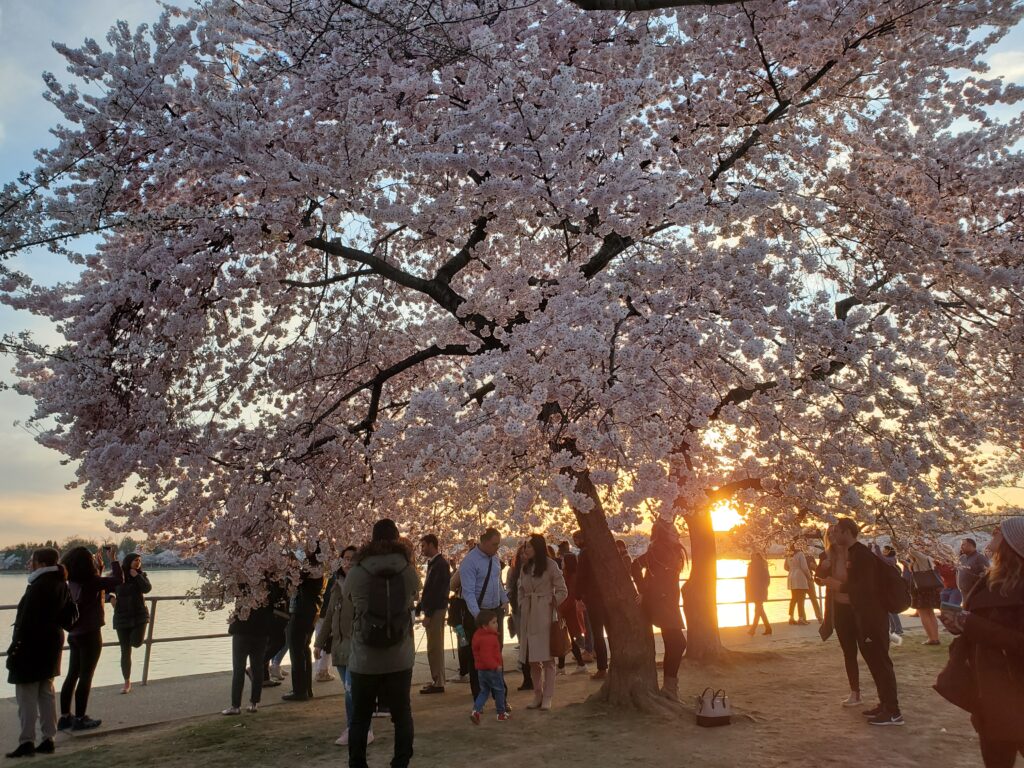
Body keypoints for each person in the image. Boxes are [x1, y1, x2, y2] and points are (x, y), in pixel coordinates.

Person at [938, 517, 1024, 768]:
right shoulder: (990, 578)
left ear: (1013, 542)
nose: (993, 533)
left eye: (1000, 531)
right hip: (988, 687)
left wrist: (971, 624)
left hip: (1015, 685)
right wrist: (959, 626)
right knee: (996, 760)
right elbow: (979, 624)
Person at [344, 519, 421, 768]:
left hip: (365, 656)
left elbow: (352, 600)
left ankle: (357, 764)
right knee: (402, 715)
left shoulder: (357, 570)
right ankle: (400, 763)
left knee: (360, 718)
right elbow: (413, 596)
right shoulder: (408, 570)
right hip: (399, 654)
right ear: (397, 539)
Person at [824, 518, 903, 726]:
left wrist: (838, 586)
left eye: (837, 531)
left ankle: (893, 711)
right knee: (874, 661)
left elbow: (867, 588)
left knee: (880, 662)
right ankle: (884, 705)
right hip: (864, 616)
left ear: (847, 532)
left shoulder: (861, 555)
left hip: (872, 616)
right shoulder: (854, 554)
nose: (834, 535)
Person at [5, 548, 77, 759]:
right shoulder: (60, 583)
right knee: (46, 692)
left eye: (32, 560)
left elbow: (26, 622)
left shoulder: (39, 586)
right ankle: (48, 738)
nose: (29, 563)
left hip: (31, 646)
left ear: (41, 563)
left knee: (26, 695)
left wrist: (14, 650)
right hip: (51, 642)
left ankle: (27, 740)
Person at [59, 545, 123, 731]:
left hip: (74, 633)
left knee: (72, 675)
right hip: (91, 633)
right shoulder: (92, 581)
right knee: (86, 676)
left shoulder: (71, 581)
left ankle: (64, 717)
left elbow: (96, 586)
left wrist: (101, 569)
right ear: (87, 564)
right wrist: (114, 559)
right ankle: (80, 718)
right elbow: (118, 580)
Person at [316, 545, 374, 746]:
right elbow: (330, 615)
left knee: (352, 690)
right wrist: (319, 643)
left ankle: (359, 729)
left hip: (356, 645)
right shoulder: (335, 585)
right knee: (349, 690)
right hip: (339, 646)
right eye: (345, 558)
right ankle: (359, 728)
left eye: (352, 558)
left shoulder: (362, 585)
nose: (348, 562)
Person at [632, 518, 687, 700]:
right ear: (664, 534)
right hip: (659, 601)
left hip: (669, 601)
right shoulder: (657, 550)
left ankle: (670, 687)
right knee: (678, 643)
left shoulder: (673, 550)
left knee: (675, 643)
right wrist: (644, 590)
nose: (677, 533)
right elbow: (635, 566)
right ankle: (670, 688)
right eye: (673, 531)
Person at [517, 533, 569, 710]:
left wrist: (549, 602)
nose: (526, 550)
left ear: (537, 548)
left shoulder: (550, 565)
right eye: (525, 547)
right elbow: (520, 589)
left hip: (544, 615)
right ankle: (537, 694)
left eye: (529, 547)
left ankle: (548, 696)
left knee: (547, 659)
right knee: (532, 659)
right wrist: (522, 602)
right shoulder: (525, 567)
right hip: (528, 615)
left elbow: (562, 590)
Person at [458, 528, 509, 700]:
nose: (497, 548)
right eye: (494, 544)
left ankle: (500, 694)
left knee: (496, 652)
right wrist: (478, 616)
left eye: (498, 544)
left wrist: (505, 600)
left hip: (495, 611)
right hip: (479, 613)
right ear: (484, 541)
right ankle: (479, 694)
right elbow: (468, 592)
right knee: (478, 656)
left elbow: (497, 582)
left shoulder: (494, 558)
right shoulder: (470, 562)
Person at [223, 584, 277, 715]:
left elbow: (229, 592)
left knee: (239, 668)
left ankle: (235, 705)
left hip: (242, 629)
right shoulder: (270, 583)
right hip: (261, 630)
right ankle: (254, 703)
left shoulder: (241, 580)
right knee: (257, 667)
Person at [283, 548, 327, 702]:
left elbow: (294, 579)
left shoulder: (310, 569)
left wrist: (290, 567)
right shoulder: (318, 568)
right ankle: (306, 688)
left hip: (301, 611)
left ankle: (299, 690)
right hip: (310, 611)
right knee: (303, 649)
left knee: (296, 649)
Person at [112, 552, 152, 695]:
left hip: (139, 616)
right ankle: (127, 682)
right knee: (125, 650)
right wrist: (110, 598)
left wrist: (137, 576)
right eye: (135, 560)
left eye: (139, 560)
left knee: (136, 642)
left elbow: (147, 589)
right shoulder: (117, 577)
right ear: (128, 561)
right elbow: (103, 590)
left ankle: (128, 680)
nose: (138, 562)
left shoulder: (141, 576)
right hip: (121, 617)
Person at [416, 533, 450, 694]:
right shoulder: (435, 563)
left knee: (434, 647)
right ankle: (437, 679)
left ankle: (438, 682)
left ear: (431, 545)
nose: (422, 549)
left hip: (436, 610)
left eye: (423, 546)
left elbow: (436, 591)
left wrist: (428, 613)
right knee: (433, 646)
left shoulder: (440, 564)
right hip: (434, 609)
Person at [573, 529, 609, 680]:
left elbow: (580, 575)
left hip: (594, 597)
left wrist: (577, 596)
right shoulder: (600, 550)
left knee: (597, 633)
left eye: (577, 538)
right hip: (607, 596)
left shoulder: (584, 553)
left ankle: (602, 668)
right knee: (609, 632)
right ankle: (607, 665)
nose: (575, 541)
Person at [469, 609, 510, 724]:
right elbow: (486, 655)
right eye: (493, 622)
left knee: (484, 691)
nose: (497, 624)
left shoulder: (477, 636)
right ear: (485, 626)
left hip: (481, 670)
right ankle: (501, 713)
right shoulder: (489, 638)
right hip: (492, 669)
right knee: (499, 691)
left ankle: (476, 711)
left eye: (496, 622)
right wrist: (496, 665)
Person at [907, 547, 942, 645]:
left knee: (924, 614)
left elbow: (911, 551)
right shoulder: (927, 559)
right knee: (930, 613)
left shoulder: (923, 558)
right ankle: (935, 637)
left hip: (922, 589)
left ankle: (932, 638)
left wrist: (912, 544)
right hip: (928, 589)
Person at [880, 545, 905, 642]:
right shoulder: (889, 562)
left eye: (885, 550)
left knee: (892, 611)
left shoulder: (892, 561)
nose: (883, 552)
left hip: (891, 590)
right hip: (887, 589)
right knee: (889, 610)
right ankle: (894, 629)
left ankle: (898, 629)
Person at [785, 544, 814, 625]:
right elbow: (804, 567)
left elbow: (786, 567)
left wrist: (792, 570)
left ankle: (791, 617)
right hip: (799, 577)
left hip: (791, 577)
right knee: (801, 598)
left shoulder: (789, 555)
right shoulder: (800, 554)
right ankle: (801, 618)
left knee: (793, 598)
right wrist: (809, 576)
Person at [745, 552, 772, 636]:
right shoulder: (763, 565)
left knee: (758, 609)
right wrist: (764, 587)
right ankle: (768, 628)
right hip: (760, 590)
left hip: (756, 590)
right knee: (759, 609)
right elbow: (767, 579)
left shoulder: (753, 566)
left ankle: (753, 629)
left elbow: (749, 579)